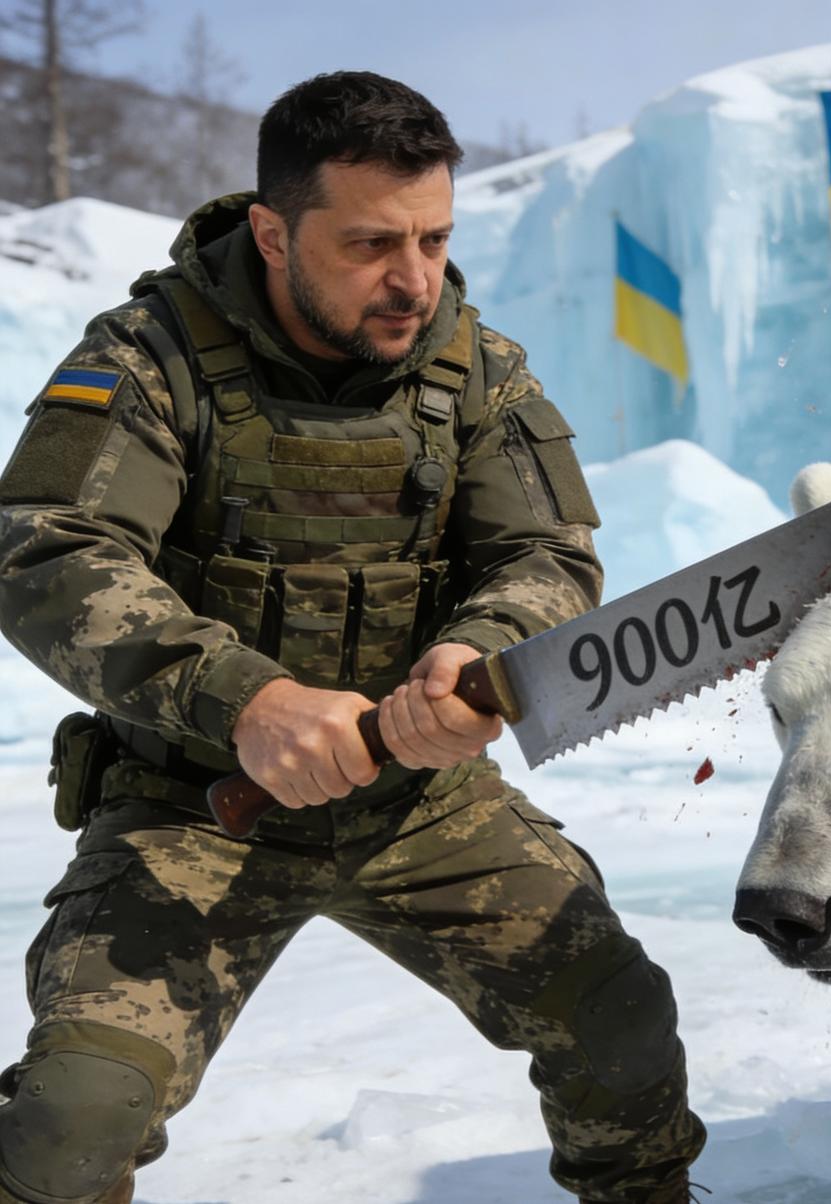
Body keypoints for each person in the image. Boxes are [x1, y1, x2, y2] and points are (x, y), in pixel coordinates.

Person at [0, 71, 705, 1204]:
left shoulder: (475, 368)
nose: (414, 278)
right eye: (374, 243)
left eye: (434, 239)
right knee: (72, 1121)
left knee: (621, 1023)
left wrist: (479, 656)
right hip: (197, 801)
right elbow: (47, 550)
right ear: (273, 233)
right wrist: (247, 700)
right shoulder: (149, 357)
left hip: (420, 801)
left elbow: (549, 556)